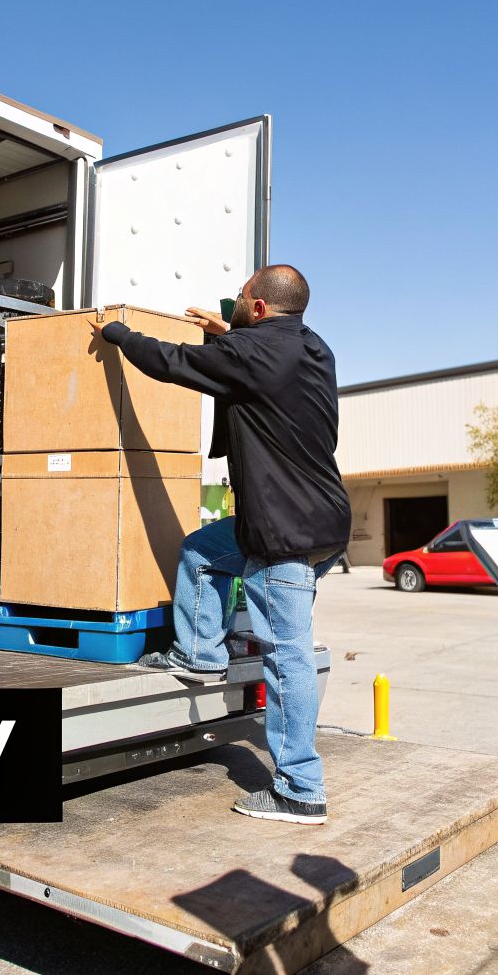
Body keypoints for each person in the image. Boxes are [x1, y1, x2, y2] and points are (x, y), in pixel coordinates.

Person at [89, 265, 350, 825]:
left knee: (286, 657)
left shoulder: (250, 352)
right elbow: (259, 366)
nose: (232, 301)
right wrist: (227, 333)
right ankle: (200, 652)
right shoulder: (314, 348)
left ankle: (300, 789)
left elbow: (170, 362)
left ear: (258, 307)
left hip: (282, 536)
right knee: (202, 552)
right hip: (322, 519)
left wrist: (119, 335)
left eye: (240, 296)